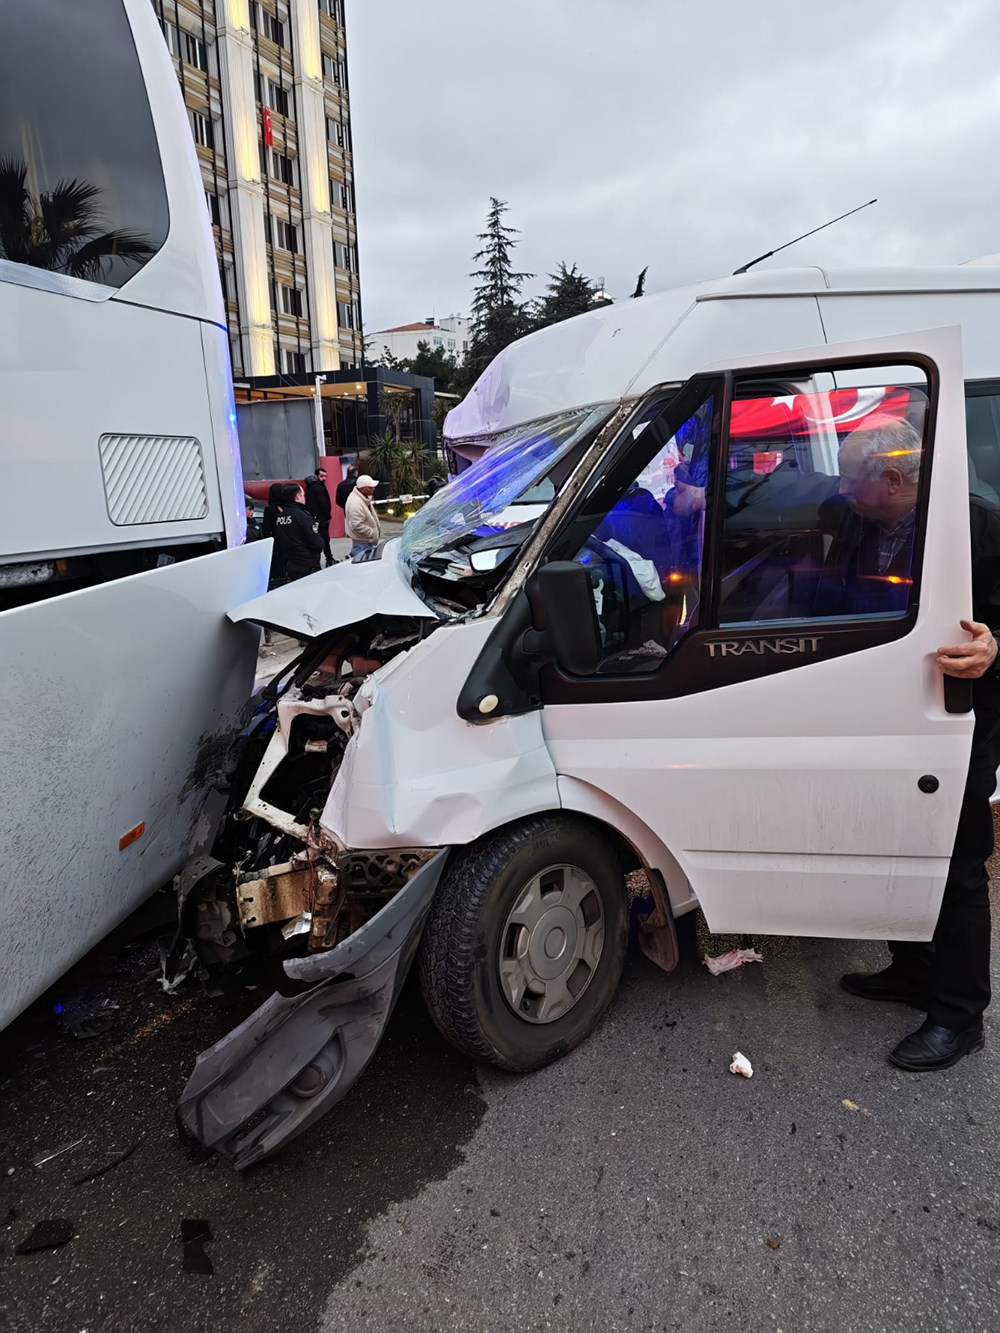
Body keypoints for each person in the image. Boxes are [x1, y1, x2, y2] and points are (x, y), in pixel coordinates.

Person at [834, 416, 1000, 1070]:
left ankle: (960, 1016)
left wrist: (995, 646)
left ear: (891, 479)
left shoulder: (979, 527)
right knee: (896, 846)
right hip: (881, 714)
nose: (843, 492)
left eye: (852, 481)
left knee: (956, 863)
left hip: (955, 720)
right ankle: (914, 967)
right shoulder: (860, 524)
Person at [273, 482, 325, 581]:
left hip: (291, 564)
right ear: (298, 496)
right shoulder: (302, 515)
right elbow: (317, 544)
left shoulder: (281, 517)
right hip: (307, 565)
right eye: (303, 495)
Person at [344, 474, 381, 562]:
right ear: (362, 489)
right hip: (362, 544)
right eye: (370, 487)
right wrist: (372, 533)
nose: (373, 489)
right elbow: (356, 525)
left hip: (363, 543)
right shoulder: (356, 504)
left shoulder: (362, 497)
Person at [304, 467, 334, 567]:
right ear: (316, 476)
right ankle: (328, 558)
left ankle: (318, 560)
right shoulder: (319, 487)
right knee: (325, 539)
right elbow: (323, 503)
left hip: (313, 517)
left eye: (325, 476)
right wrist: (328, 516)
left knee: (315, 539)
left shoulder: (309, 488)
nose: (324, 478)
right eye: (322, 476)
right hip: (321, 518)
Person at [261, 481, 287, 586]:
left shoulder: (286, 506)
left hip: (286, 539)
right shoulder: (270, 509)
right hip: (276, 541)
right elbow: (267, 528)